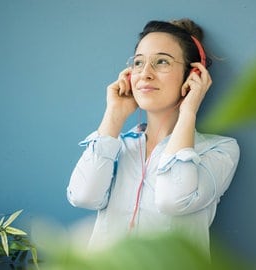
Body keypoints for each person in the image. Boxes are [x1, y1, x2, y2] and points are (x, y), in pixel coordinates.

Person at [67, 18, 240, 256]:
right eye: (138, 63)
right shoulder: (115, 146)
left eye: (161, 62)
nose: (145, 74)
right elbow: (83, 196)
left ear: (192, 75)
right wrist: (113, 116)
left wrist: (189, 110)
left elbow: (173, 200)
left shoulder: (220, 150)